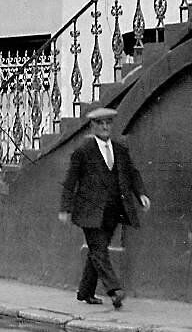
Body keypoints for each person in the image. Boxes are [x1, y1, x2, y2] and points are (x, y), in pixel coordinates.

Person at [58, 106, 150, 309]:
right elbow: (70, 180)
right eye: (101, 124)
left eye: (108, 123)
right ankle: (114, 290)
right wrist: (65, 208)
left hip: (113, 211)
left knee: (96, 251)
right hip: (89, 212)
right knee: (99, 250)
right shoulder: (83, 151)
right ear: (93, 126)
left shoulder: (119, 150)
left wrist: (141, 194)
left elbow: (132, 173)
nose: (105, 127)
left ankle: (86, 292)